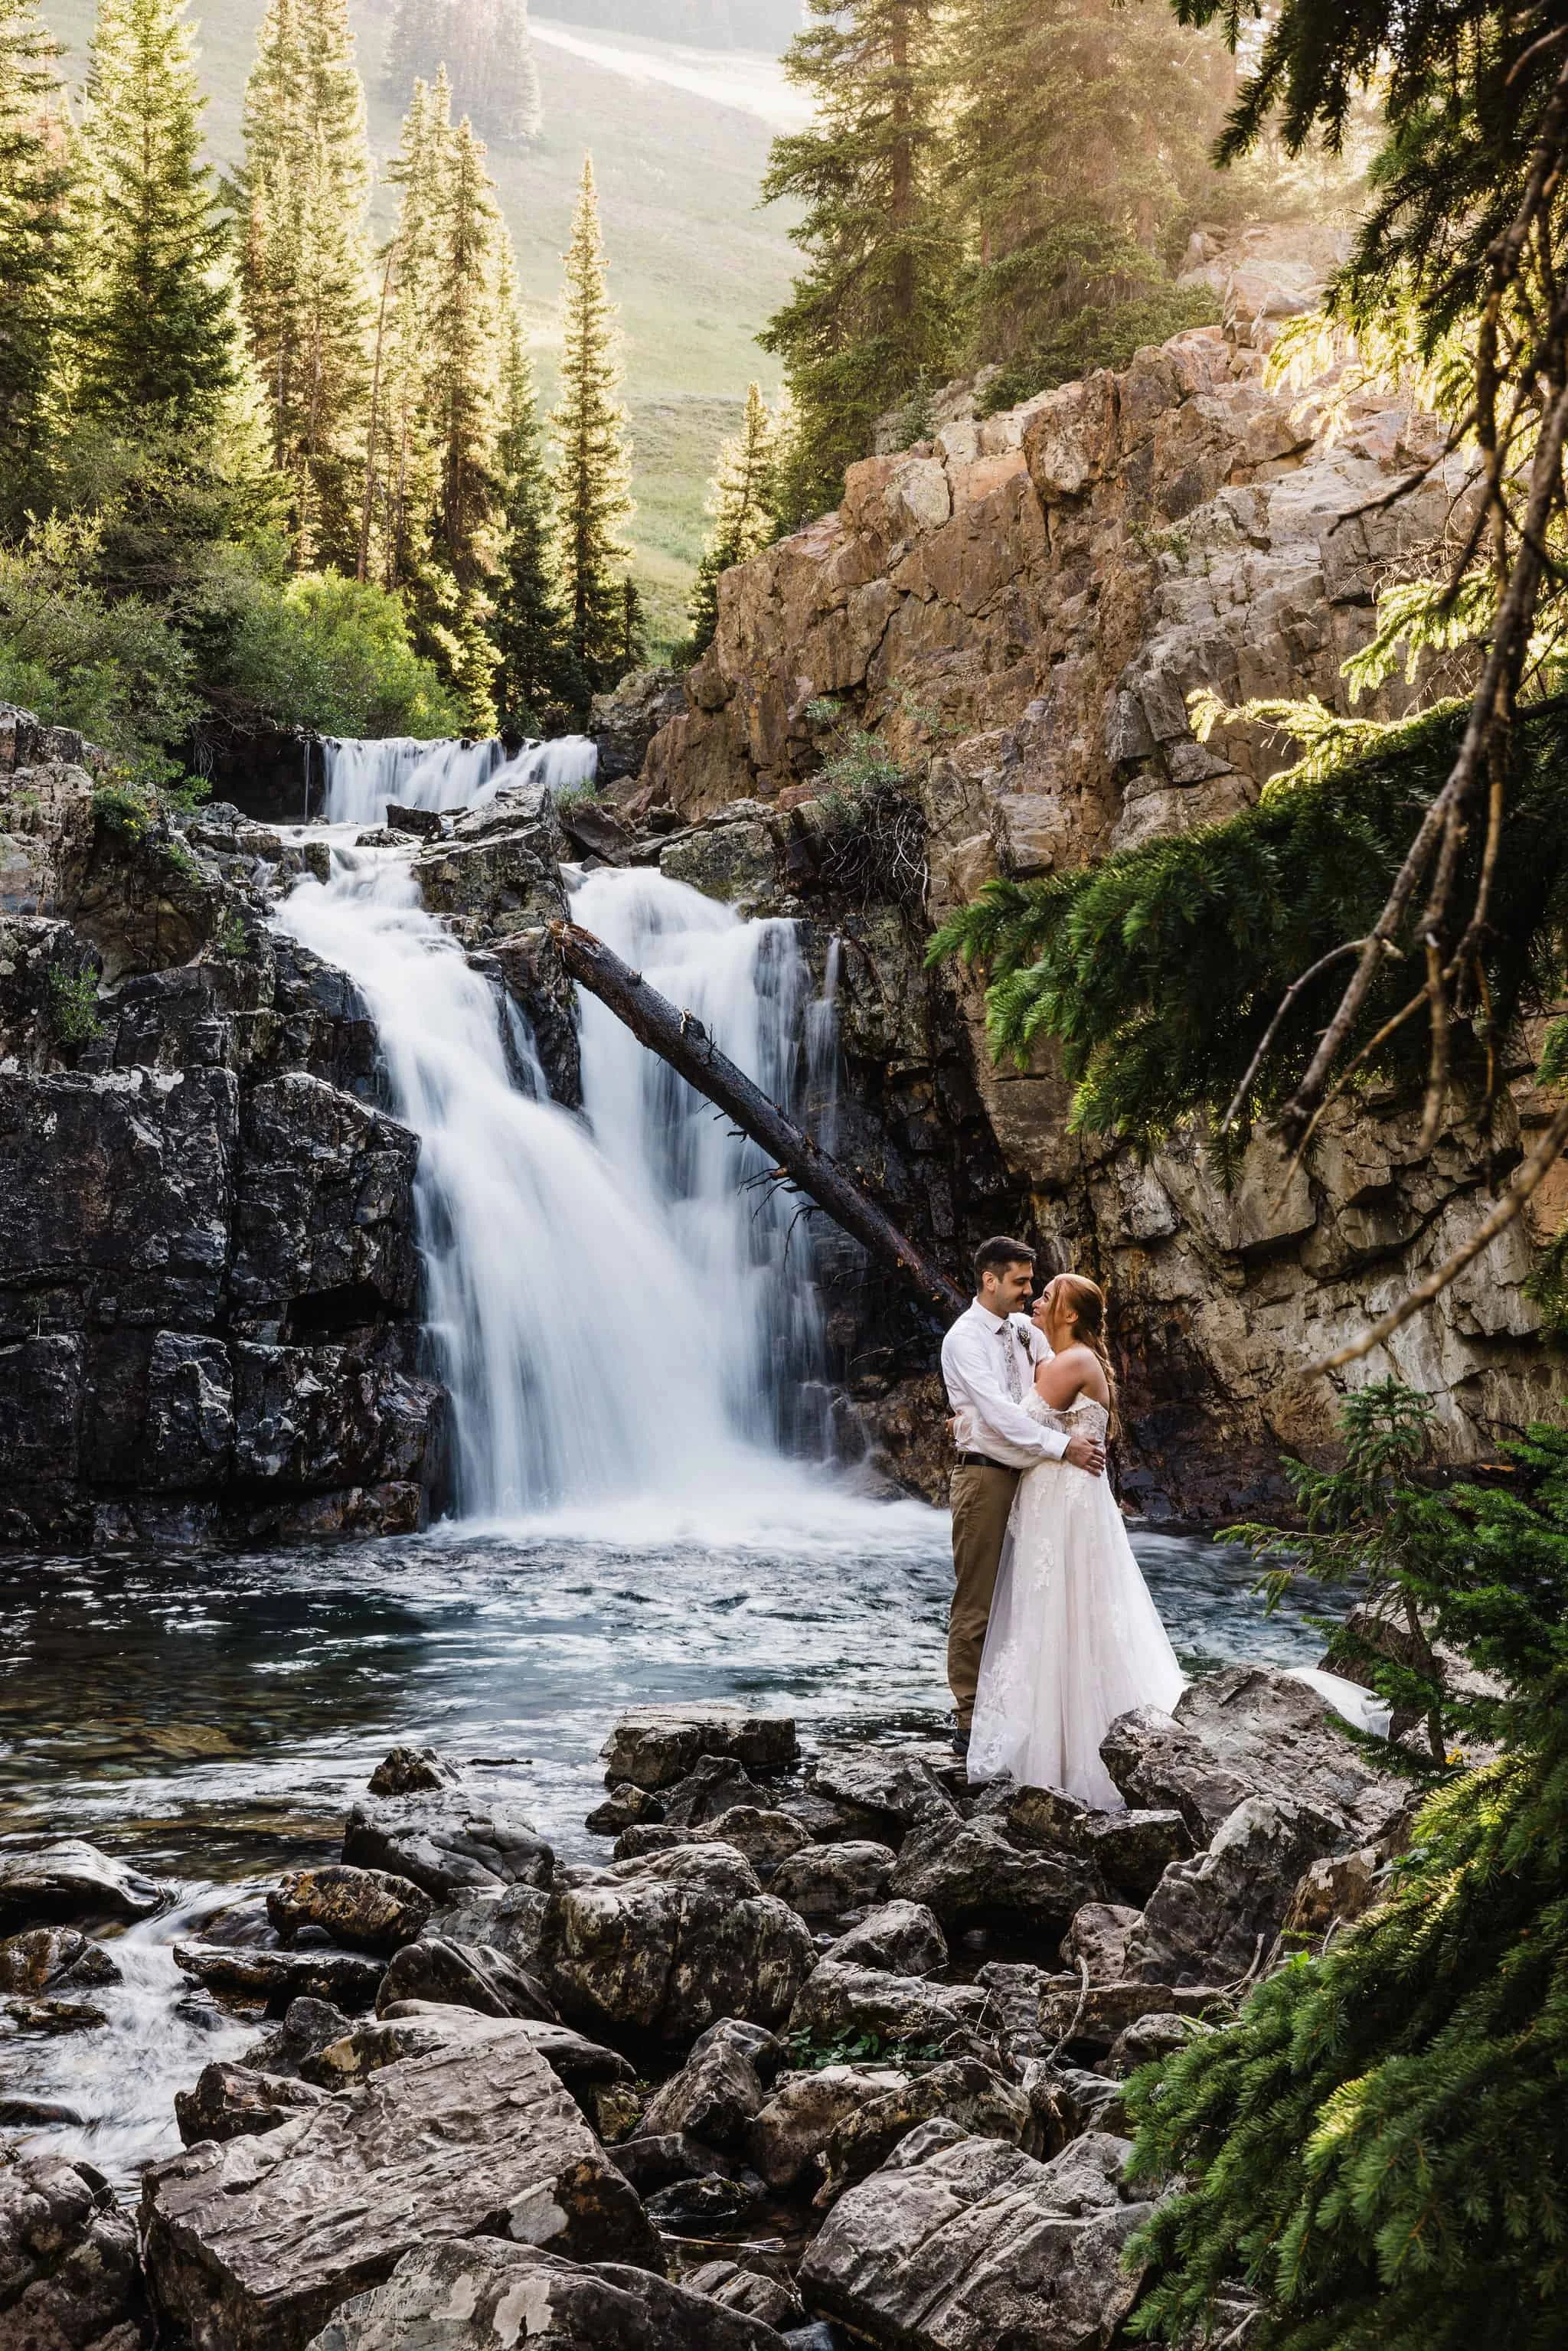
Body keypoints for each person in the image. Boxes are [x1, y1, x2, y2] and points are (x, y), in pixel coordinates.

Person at [967, 1271, 1184, 1806]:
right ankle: (1056, 1744)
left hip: (1066, 1506)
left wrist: (965, 1426)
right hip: (1059, 1501)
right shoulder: (1059, 1361)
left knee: (1067, 1616)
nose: (1037, 1300)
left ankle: (1073, 1755)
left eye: (1047, 1296)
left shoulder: (1075, 1362)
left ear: (1068, 1313)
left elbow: (1009, 1428)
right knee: (1055, 1615)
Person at [940, 1237, 1106, 1758]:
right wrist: (1063, 1445)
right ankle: (969, 1716)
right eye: (1020, 1281)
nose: (1029, 1291)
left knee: (1030, 1598)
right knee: (979, 1600)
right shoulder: (965, 1339)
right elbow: (1001, 1415)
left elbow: (1048, 1383)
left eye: (1034, 1284)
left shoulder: (1022, 1330)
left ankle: (1025, 1709)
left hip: (1037, 1480)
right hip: (987, 1478)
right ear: (990, 1280)